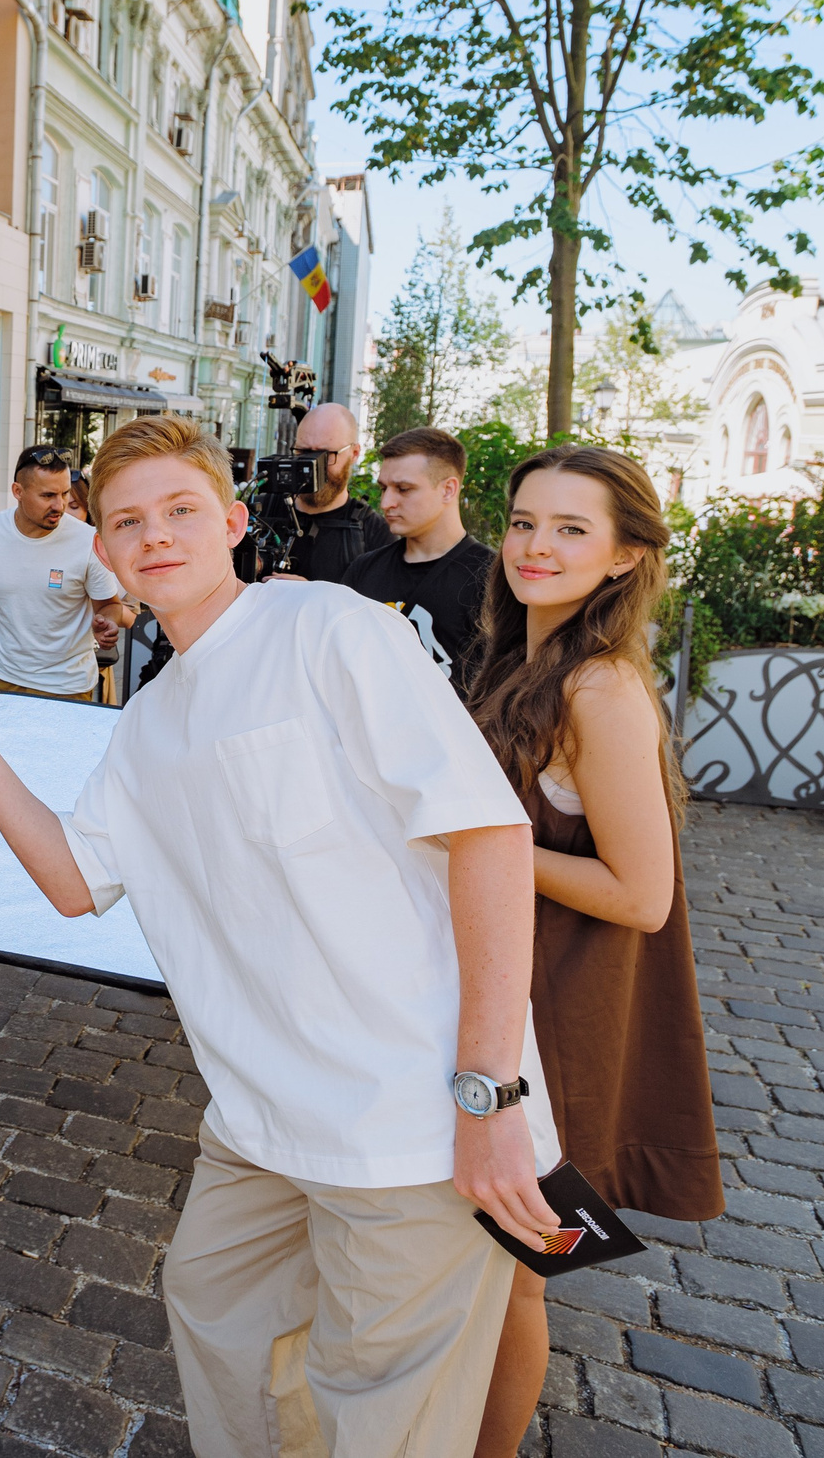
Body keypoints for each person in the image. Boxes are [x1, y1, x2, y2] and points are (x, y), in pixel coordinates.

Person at [0, 415, 563, 1458]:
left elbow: (488, 835)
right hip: (258, 1119)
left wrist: (489, 1093)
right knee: (219, 1319)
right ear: (103, 549)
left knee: (384, 1410)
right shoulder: (150, 718)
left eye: (181, 510)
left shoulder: (328, 629)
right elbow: (72, 884)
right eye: (128, 520)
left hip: (406, 1122)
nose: (155, 535)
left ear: (230, 522)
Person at [465, 445, 722, 1458]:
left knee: (516, 1267)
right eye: (525, 521)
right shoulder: (521, 658)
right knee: (488, 1257)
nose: (536, 545)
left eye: (572, 529)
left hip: (555, 1015)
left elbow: (642, 895)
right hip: (497, 986)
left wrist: (489, 849)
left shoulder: (600, 691)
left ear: (623, 557)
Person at [0, 443, 134, 719]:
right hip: (4, 679)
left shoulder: (88, 541)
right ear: (18, 491)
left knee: (60, 764)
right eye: (48, 495)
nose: (59, 505)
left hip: (69, 686)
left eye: (63, 494)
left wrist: (108, 621)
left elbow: (108, 604)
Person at [341, 427, 496, 697]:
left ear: (448, 489)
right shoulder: (364, 570)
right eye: (384, 488)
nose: (387, 502)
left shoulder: (492, 577)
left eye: (403, 489)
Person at [239, 399, 394, 583]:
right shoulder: (258, 512)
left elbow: (378, 608)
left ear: (354, 454)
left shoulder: (373, 533)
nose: (312, 467)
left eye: (325, 455)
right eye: (303, 452)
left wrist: (314, 596)